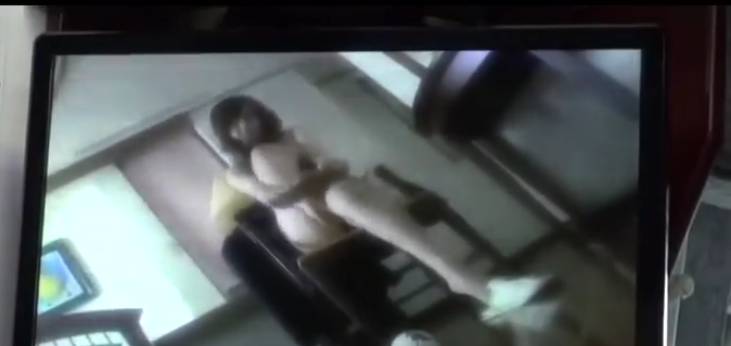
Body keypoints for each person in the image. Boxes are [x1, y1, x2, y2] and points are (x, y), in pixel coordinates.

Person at [209, 95, 548, 321]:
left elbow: (334, 163)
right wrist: (317, 179)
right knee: (334, 188)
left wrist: (319, 178)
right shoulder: (239, 169)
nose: (247, 126)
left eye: (250, 115)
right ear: (227, 134)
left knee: (341, 193)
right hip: (312, 230)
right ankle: (471, 281)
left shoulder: (293, 135)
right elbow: (278, 198)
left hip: (341, 201)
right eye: (235, 124)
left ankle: (471, 283)